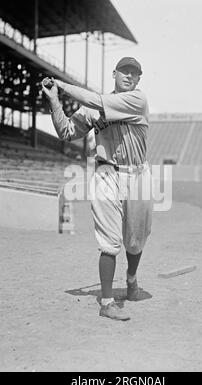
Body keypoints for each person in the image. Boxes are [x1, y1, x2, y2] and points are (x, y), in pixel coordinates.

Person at [42, 57, 153, 321]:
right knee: (109, 242)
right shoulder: (93, 108)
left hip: (137, 173)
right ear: (114, 74)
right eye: (124, 71)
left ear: (139, 79)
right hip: (106, 172)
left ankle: (131, 280)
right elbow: (67, 132)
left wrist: (61, 84)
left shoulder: (137, 100)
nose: (129, 76)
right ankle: (106, 302)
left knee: (136, 240)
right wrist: (54, 100)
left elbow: (95, 102)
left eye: (134, 73)